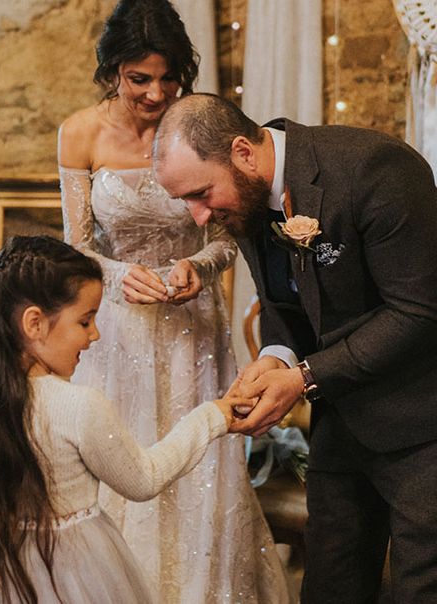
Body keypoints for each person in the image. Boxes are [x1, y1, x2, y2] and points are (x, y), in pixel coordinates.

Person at [153, 92, 437, 603]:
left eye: (199, 194)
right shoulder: (242, 201)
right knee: (330, 584)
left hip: (422, 424)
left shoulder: (376, 168)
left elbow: (418, 310)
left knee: (421, 586)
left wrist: (303, 377)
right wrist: (274, 360)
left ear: (242, 152)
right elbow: (282, 306)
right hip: (341, 423)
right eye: (185, 203)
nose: (198, 217)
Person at [58, 0, 290, 602]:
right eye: (139, 79)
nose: (156, 94)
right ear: (112, 70)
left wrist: (197, 266)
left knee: (201, 467)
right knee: (123, 462)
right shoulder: (80, 133)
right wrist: (114, 277)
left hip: (193, 323)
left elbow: (228, 233)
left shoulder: (197, 125)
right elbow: (77, 247)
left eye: (168, 78)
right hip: (115, 329)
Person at [0, 235, 249, 603]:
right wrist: (213, 416)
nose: (95, 335)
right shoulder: (78, 406)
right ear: (34, 323)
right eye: (85, 321)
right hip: (78, 582)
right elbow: (144, 479)